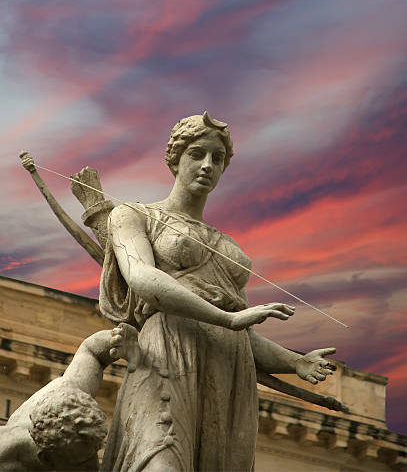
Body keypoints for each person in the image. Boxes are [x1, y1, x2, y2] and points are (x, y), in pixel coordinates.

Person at [99, 112, 336, 472]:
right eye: (197, 154)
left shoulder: (228, 245)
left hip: (230, 367)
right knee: (160, 460)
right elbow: (143, 278)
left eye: (218, 158)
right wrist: (228, 317)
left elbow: (242, 330)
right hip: (168, 350)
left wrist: (294, 361)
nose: (208, 165)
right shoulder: (134, 214)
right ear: (175, 159)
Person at [0, 325, 139, 471]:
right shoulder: (5, 457)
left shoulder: (68, 394)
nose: (94, 467)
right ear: (46, 459)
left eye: (93, 455)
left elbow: (91, 351)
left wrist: (118, 339)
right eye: (82, 466)